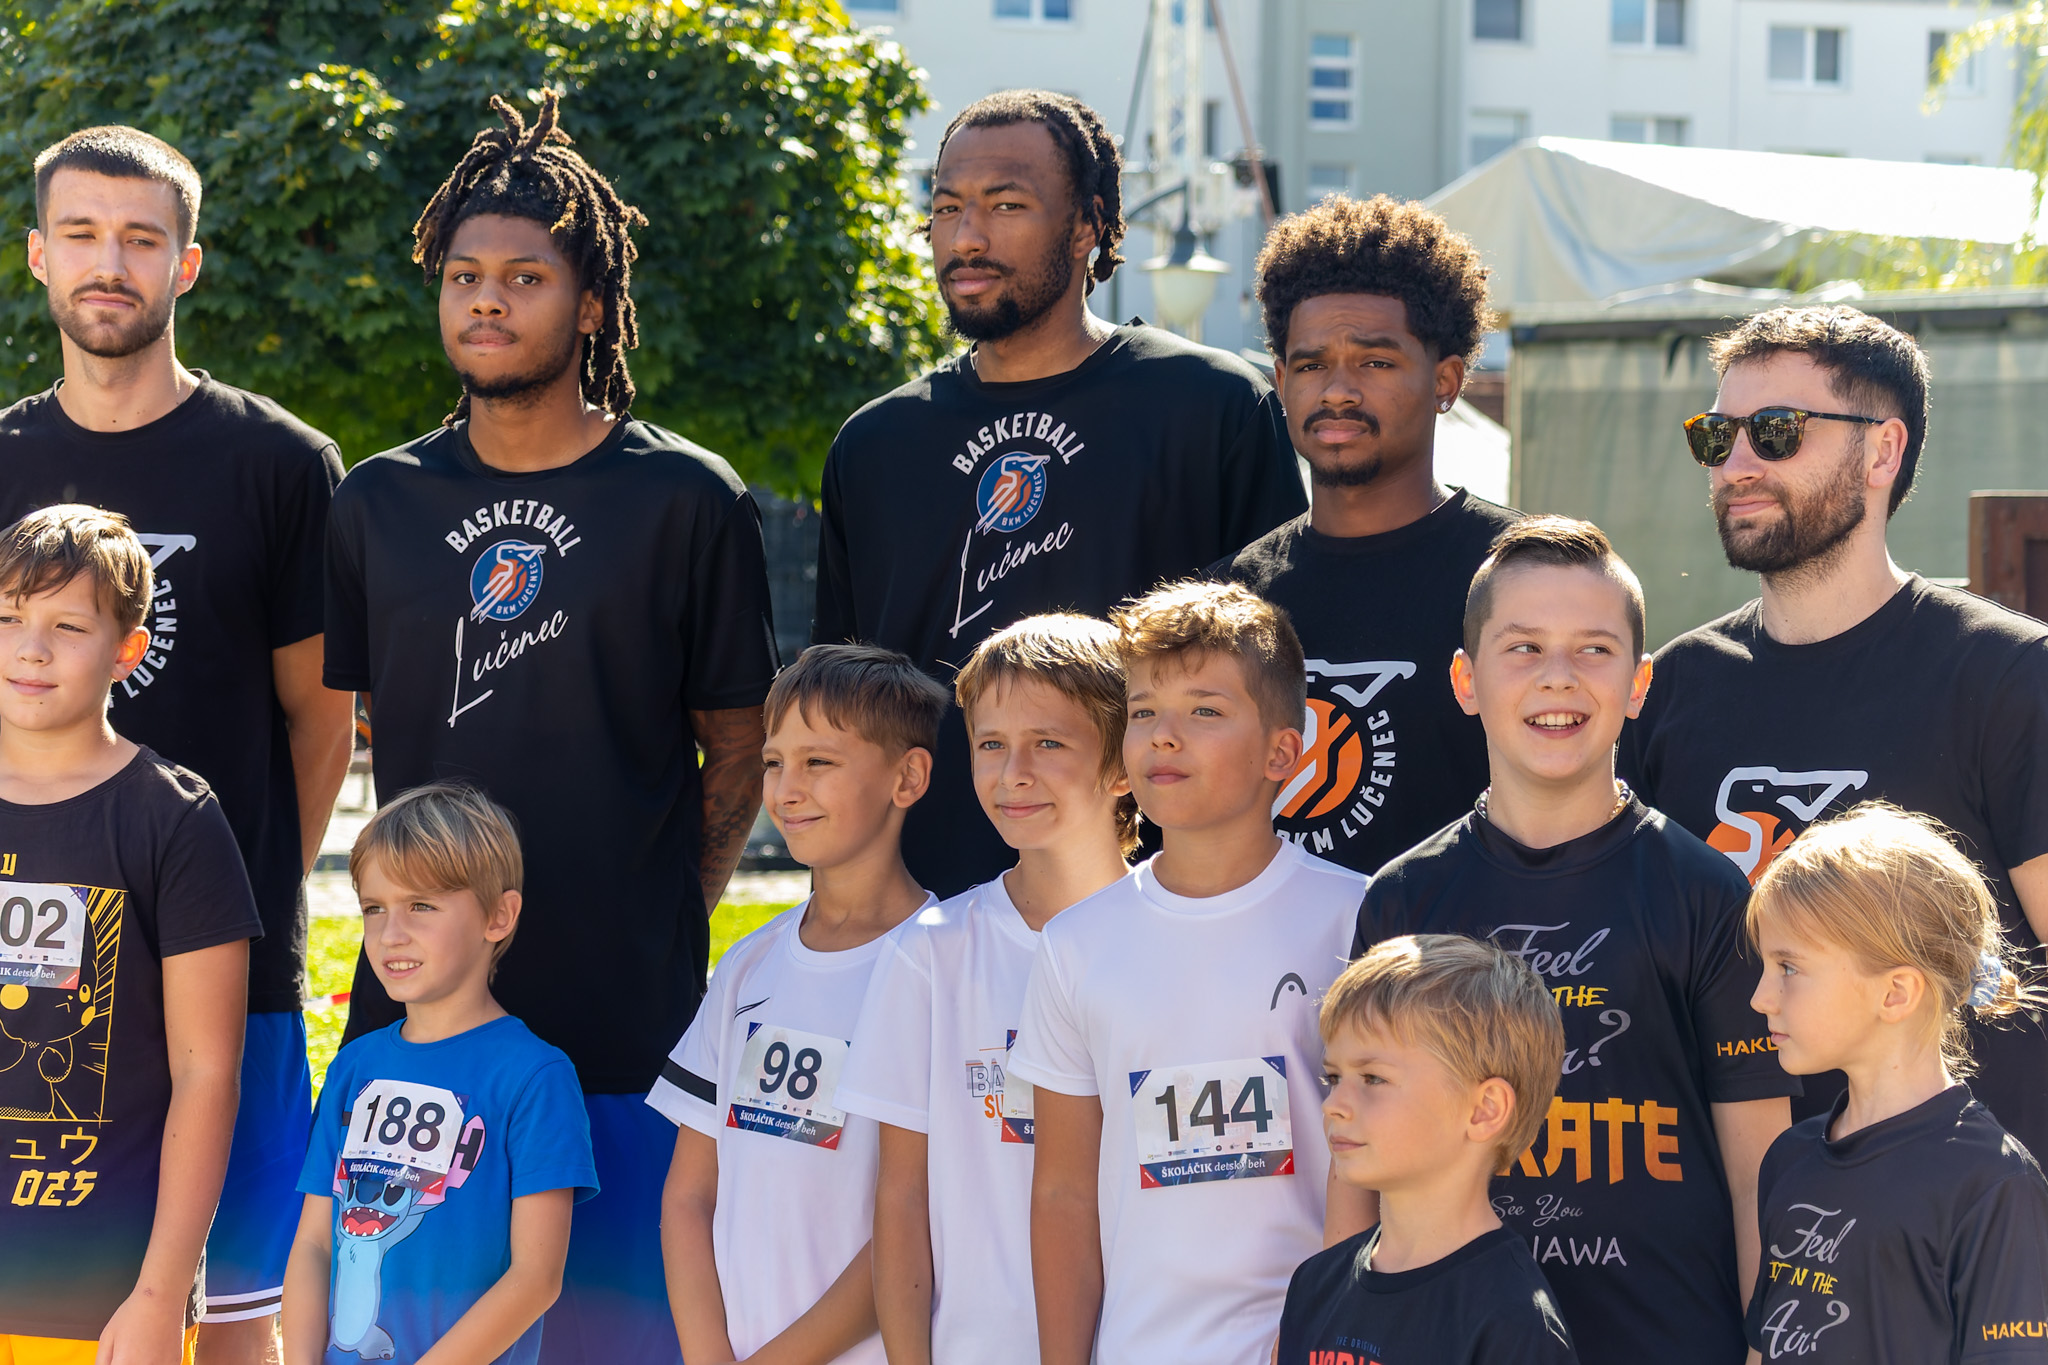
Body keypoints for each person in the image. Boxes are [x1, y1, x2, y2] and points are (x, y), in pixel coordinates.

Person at [322, 91, 778, 1365]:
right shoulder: (379, 504)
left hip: (626, 1025)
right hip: (419, 1035)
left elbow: (735, 746)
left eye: (525, 276)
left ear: (589, 304)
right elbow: (366, 726)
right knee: (412, 1343)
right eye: (464, 275)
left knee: (608, 1341)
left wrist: (665, 899)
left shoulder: (685, 499)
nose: (486, 299)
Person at [1, 124, 352, 1357]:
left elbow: (320, 715)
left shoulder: (281, 464)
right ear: (38, 257)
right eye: (84, 236)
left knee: (239, 1317)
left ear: (185, 265)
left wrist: (253, 886)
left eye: (141, 240)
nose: (112, 263)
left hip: (226, 966)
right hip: (30, 957)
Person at [813, 89, 1307, 899]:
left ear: (1088, 225)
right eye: (946, 208)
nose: (966, 237)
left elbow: (1276, 671)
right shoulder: (875, 445)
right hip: (927, 917)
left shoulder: (1207, 406)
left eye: (1006, 205)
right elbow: (846, 708)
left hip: (1161, 908)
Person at [1356, 517, 1797, 1365]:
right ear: (1466, 679)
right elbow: (1361, 1154)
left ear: (1638, 683)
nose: (1558, 678)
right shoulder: (1406, 898)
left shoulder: (1705, 892)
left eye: (1594, 650)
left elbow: (1760, 1171)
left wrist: (1766, 1348)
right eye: (1522, 648)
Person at [1622, 304, 2048, 1162]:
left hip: (1959, 1248)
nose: (1738, 464)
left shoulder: (2007, 676)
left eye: (1775, 431)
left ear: (1882, 451)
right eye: (1717, 436)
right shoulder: (1670, 690)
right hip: (1734, 1238)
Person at [1009, 580, 1367, 1365]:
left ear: (1285, 747)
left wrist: (1320, 1337)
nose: (1164, 736)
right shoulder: (1075, 943)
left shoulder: (1360, 919)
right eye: (1143, 712)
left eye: (1204, 710)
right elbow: (1064, 1193)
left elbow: (1379, 1170)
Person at [838, 614, 1136, 1365]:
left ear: (1124, 759)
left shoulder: (1175, 938)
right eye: (991, 744)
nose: (1014, 774)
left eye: (1050, 743)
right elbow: (901, 1199)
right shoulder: (931, 952)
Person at [0, 506, 260, 1363]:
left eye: (66, 626)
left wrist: (158, 1291)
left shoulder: (174, 820)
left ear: (127, 651)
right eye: (8, 618)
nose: (30, 648)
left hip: (97, 1293)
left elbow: (207, 1071)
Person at [650, 644, 947, 1365]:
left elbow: (926, 1218)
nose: (786, 789)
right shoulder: (749, 962)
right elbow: (688, 1195)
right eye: (774, 762)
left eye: (819, 762)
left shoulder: (949, 963)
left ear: (908, 776)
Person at [1215, 193, 1518, 877]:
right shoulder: (1228, 599)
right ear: (1282, 380)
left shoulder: (1524, 575)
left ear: (1446, 381)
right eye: (1313, 364)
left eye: (1375, 362)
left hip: (1458, 977)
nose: (1339, 390)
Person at [281, 784, 597, 1365]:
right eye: (374, 908)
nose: (391, 933)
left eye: (421, 905)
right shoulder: (355, 1066)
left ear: (499, 915)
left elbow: (536, 1277)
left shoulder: (536, 1077)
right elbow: (313, 1244)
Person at [1744, 803, 2048, 1363]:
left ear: (1896, 993)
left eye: (1788, 967)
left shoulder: (1991, 1184)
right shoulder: (1788, 1159)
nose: (1760, 998)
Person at [1278, 934, 1577, 1365]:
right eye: (1333, 1077)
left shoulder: (1511, 1322)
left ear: (1484, 1110)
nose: (1332, 1105)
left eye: (1373, 1079)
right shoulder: (1314, 1285)